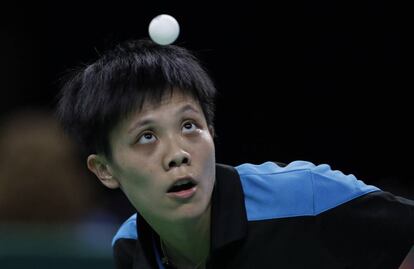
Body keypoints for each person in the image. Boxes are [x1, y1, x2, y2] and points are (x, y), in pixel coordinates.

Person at [56, 39, 414, 269]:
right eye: (147, 136)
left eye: (189, 126)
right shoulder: (132, 247)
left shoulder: (305, 196)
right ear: (104, 169)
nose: (178, 154)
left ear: (212, 131)